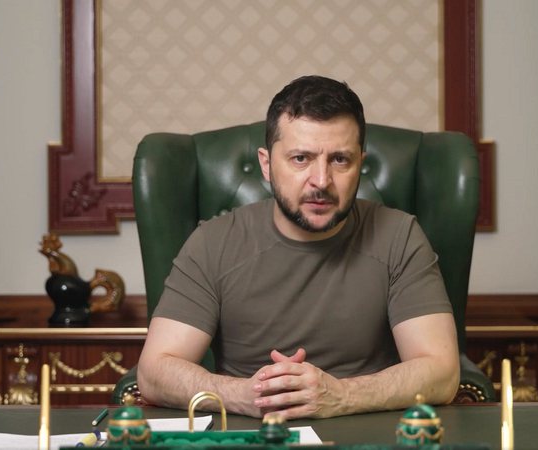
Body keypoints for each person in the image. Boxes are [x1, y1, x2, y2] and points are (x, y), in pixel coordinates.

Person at [137, 75, 459, 419]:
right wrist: (245, 395)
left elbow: (443, 373)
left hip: (367, 427)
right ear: (266, 164)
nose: (321, 181)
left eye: (340, 160)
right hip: (252, 430)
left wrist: (342, 395)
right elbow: (153, 373)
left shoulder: (400, 236)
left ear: (360, 164)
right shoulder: (213, 242)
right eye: (301, 158)